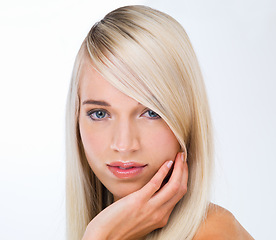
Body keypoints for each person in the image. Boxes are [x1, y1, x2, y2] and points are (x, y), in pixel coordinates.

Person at [66, 5, 254, 240]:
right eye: (100, 114)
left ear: (186, 119)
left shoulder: (214, 233)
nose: (124, 144)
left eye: (152, 112)